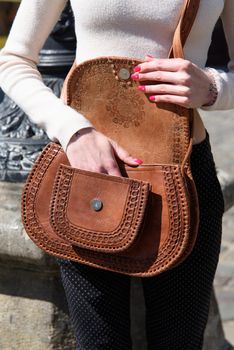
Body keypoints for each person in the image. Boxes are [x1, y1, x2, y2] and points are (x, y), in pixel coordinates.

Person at [0, 1, 233, 349]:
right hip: (88, 173)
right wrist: (73, 131)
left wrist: (213, 87)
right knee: (98, 343)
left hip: (183, 174)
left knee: (180, 342)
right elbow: (13, 60)